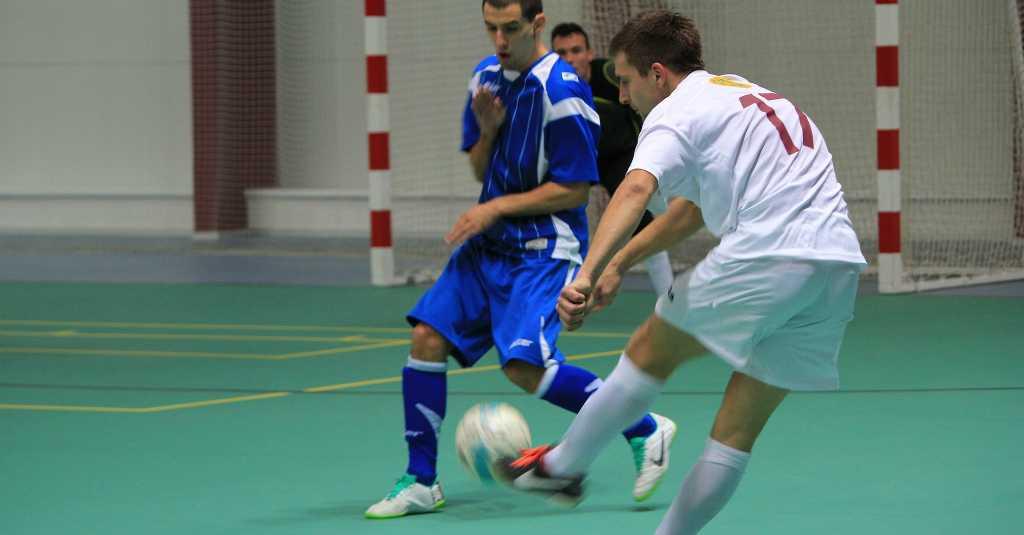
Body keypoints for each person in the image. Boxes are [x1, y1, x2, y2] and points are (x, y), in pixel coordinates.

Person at [498, 10, 867, 534]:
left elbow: (633, 190)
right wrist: (620, 263)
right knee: (736, 428)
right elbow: (688, 213)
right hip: (835, 271)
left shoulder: (676, 111)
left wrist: (584, 274)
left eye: (625, 81)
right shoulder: (740, 94)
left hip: (770, 253)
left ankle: (559, 469)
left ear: (657, 74)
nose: (623, 97)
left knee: (650, 349)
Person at [364, 0, 677, 520]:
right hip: (489, 247)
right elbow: (478, 169)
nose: (500, 40)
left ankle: (645, 427)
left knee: (525, 367)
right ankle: (421, 481)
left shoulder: (564, 92)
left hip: (543, 248)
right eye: (491, 28)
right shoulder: (485, 78)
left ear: (537, 25)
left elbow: (575, 190)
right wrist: (487, 131)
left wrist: (494, 208)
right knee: (426, 338)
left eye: (510, 28)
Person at [551, 22, 675, 296]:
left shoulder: (611, 74)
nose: (570, 58)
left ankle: (668, 299)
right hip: (579, 164)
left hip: (624, 158)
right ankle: (560, 292)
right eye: (562, 53)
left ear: (589, 53)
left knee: (650, 223)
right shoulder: (548, 89)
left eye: (576, 50)